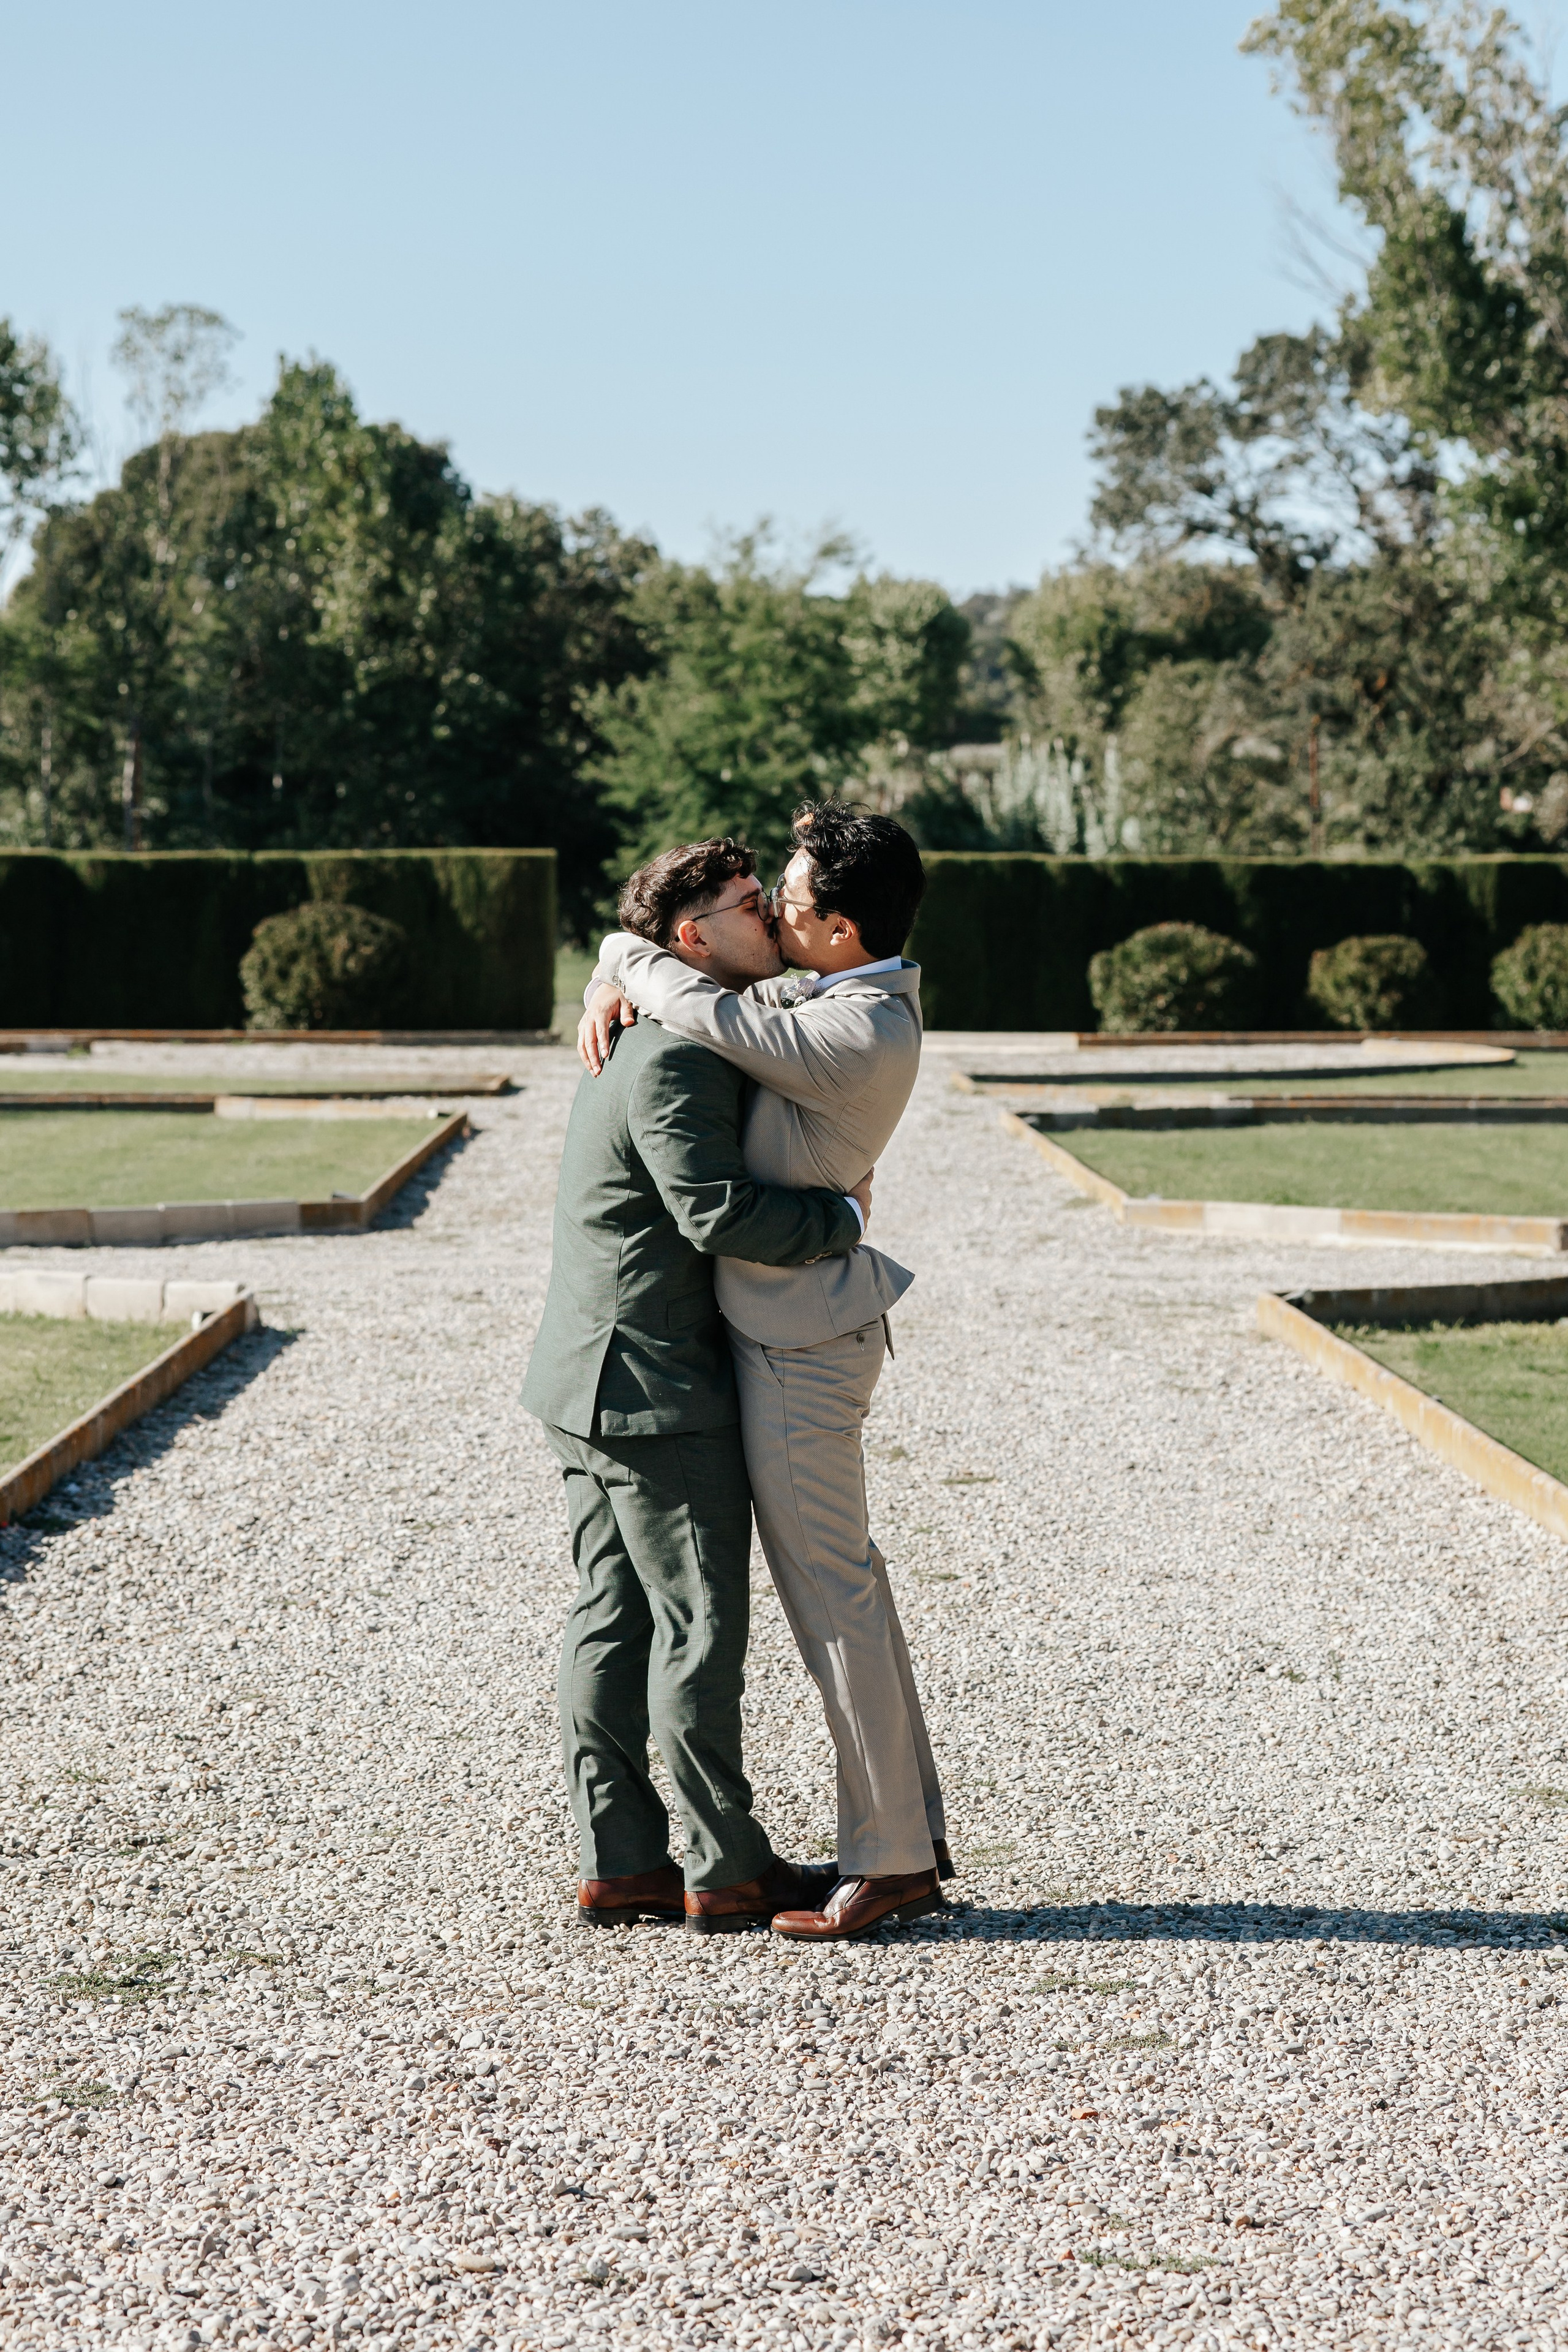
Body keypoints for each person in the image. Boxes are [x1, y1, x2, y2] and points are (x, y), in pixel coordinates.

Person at [579, 803, 949, 1942]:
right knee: (854, 1589)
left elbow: (694, 996)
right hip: (789, 1339)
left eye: (785, 905)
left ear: (838, 928)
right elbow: (698, 987)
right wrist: (613, 969)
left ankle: (887, 1862)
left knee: (833, 1596)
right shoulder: (837, 990)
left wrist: (616, 956)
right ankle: (910, 1840)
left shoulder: (855, 1030)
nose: (774, 919)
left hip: (800, 1352)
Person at [522, 837, 870, 1934]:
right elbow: (713, 1213)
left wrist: (613, 962)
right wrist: (844, 1218)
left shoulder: (646, 1017)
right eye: (750, 904)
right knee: (698, 1626)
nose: (771, 917)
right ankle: (726, 1869)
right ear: (691, 937)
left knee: (614, 1621)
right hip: (652, 1383)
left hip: (587, 1378)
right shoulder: (673, 1051)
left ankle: (622, 1861)